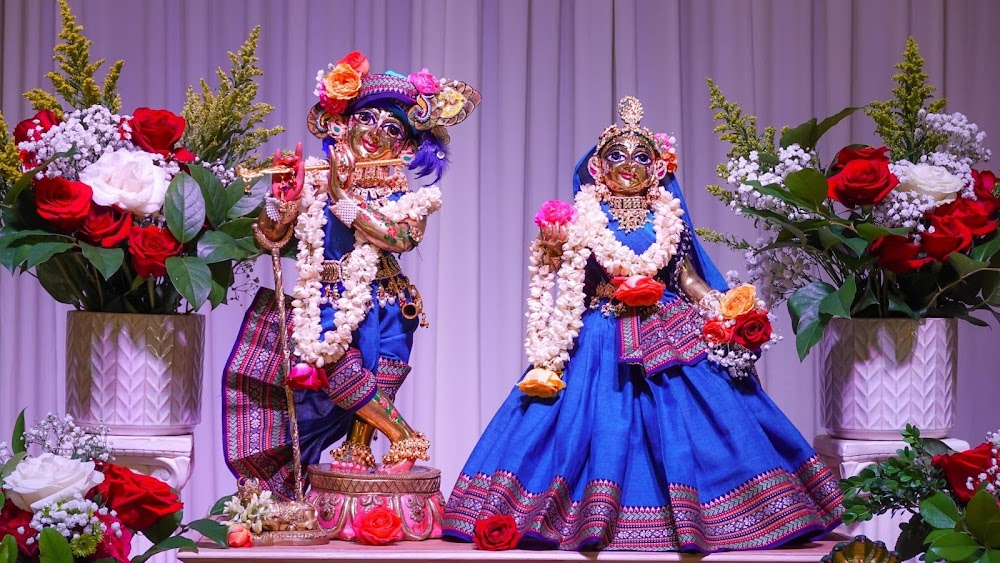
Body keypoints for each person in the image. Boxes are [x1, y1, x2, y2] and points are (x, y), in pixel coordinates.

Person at [442, 97, 843, 551]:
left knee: (706, 414)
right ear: (597, 167)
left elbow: (687, 279)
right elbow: (563, 274)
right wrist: (552, 246)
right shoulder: (583, 216)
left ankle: (729, 513)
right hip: (600, 332)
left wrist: (725, 308)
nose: (629, 165)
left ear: (657, 168)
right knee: (588, 420)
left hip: (668, 326)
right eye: (617, 155)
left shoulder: (668, 218)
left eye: (641, 157)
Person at [223, 52, 480, 500]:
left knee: (380, 380)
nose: (375, 132)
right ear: (341, 125)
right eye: (366, 118)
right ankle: (406, 437)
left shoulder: (406, 198)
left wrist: (344, 198)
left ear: (405, 148)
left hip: (388, 302)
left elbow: (399, 237)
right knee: (342, 374)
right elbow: (270, 240)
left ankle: (359, 450)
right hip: (324, 301)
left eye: (392, 128)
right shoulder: (316, 183)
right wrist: (281, 202)